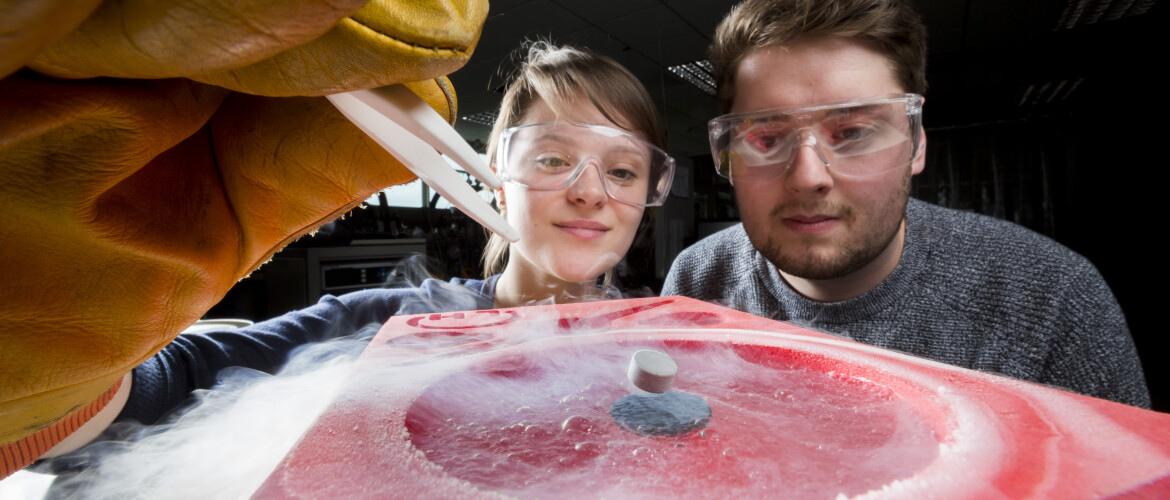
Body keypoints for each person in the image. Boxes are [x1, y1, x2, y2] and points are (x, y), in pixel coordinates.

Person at [39, 41, 675, 459]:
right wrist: (57, 356)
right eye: (554, 158)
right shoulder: (389, 327)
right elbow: (170, 383)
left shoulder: (677, 345)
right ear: (496, 184)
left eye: (622, 171)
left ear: (648, 194)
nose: (589, 191)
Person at [662, 0, 1149, 407]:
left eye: (852, 133)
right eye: (766, 139)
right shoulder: (696, 282)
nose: (808, 177)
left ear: (915, 144)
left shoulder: (1051, 300)